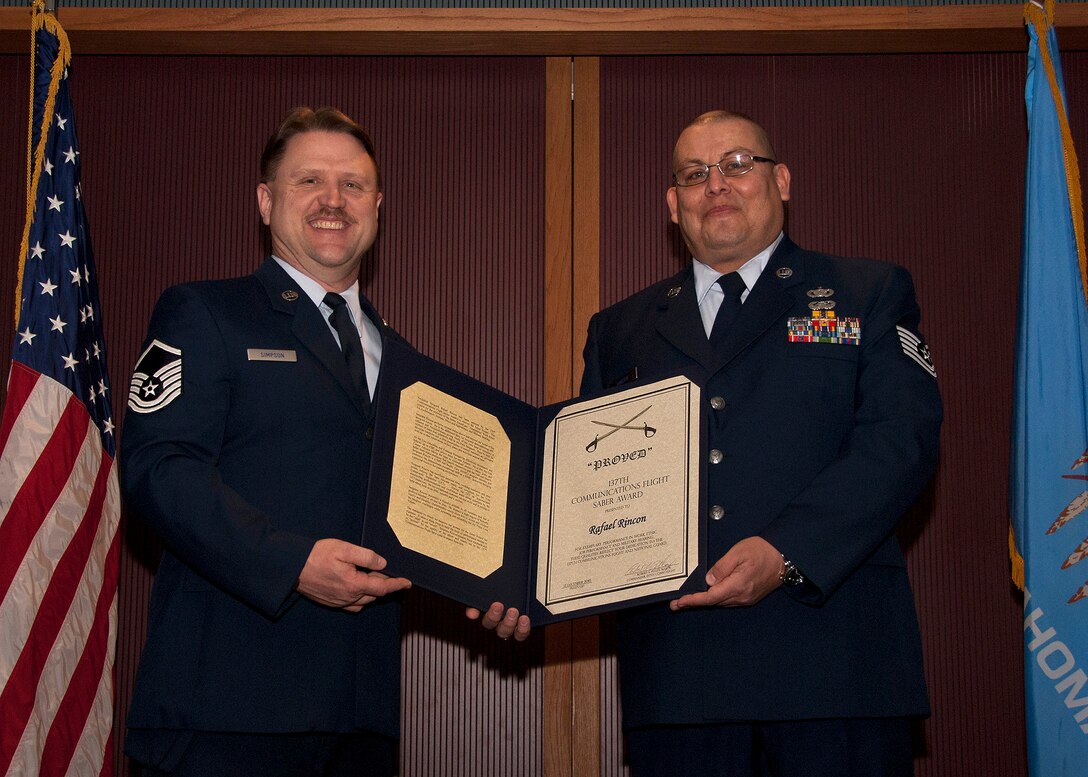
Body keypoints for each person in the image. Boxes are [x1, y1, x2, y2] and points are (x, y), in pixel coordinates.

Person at [121, 106, 516, 777]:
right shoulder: (204, 312)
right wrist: (293, 561)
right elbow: (158, 470)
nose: (334, 200)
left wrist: (506, 583)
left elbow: (431, 519)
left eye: (354, 185)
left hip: (358, 722)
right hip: (225, 713)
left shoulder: (403, 361)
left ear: (378, 206)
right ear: (266, 200)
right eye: (309, 181)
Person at [578, 110, 942, 776]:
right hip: (680, 684)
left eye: (739, 164)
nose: (717, 184)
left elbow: (901, 442)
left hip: (835, 672)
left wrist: (786, 551)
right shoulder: (619, 330)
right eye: (694, 173)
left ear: (782, 180)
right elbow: (588, 489)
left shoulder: (867, 293)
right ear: (672, 203)